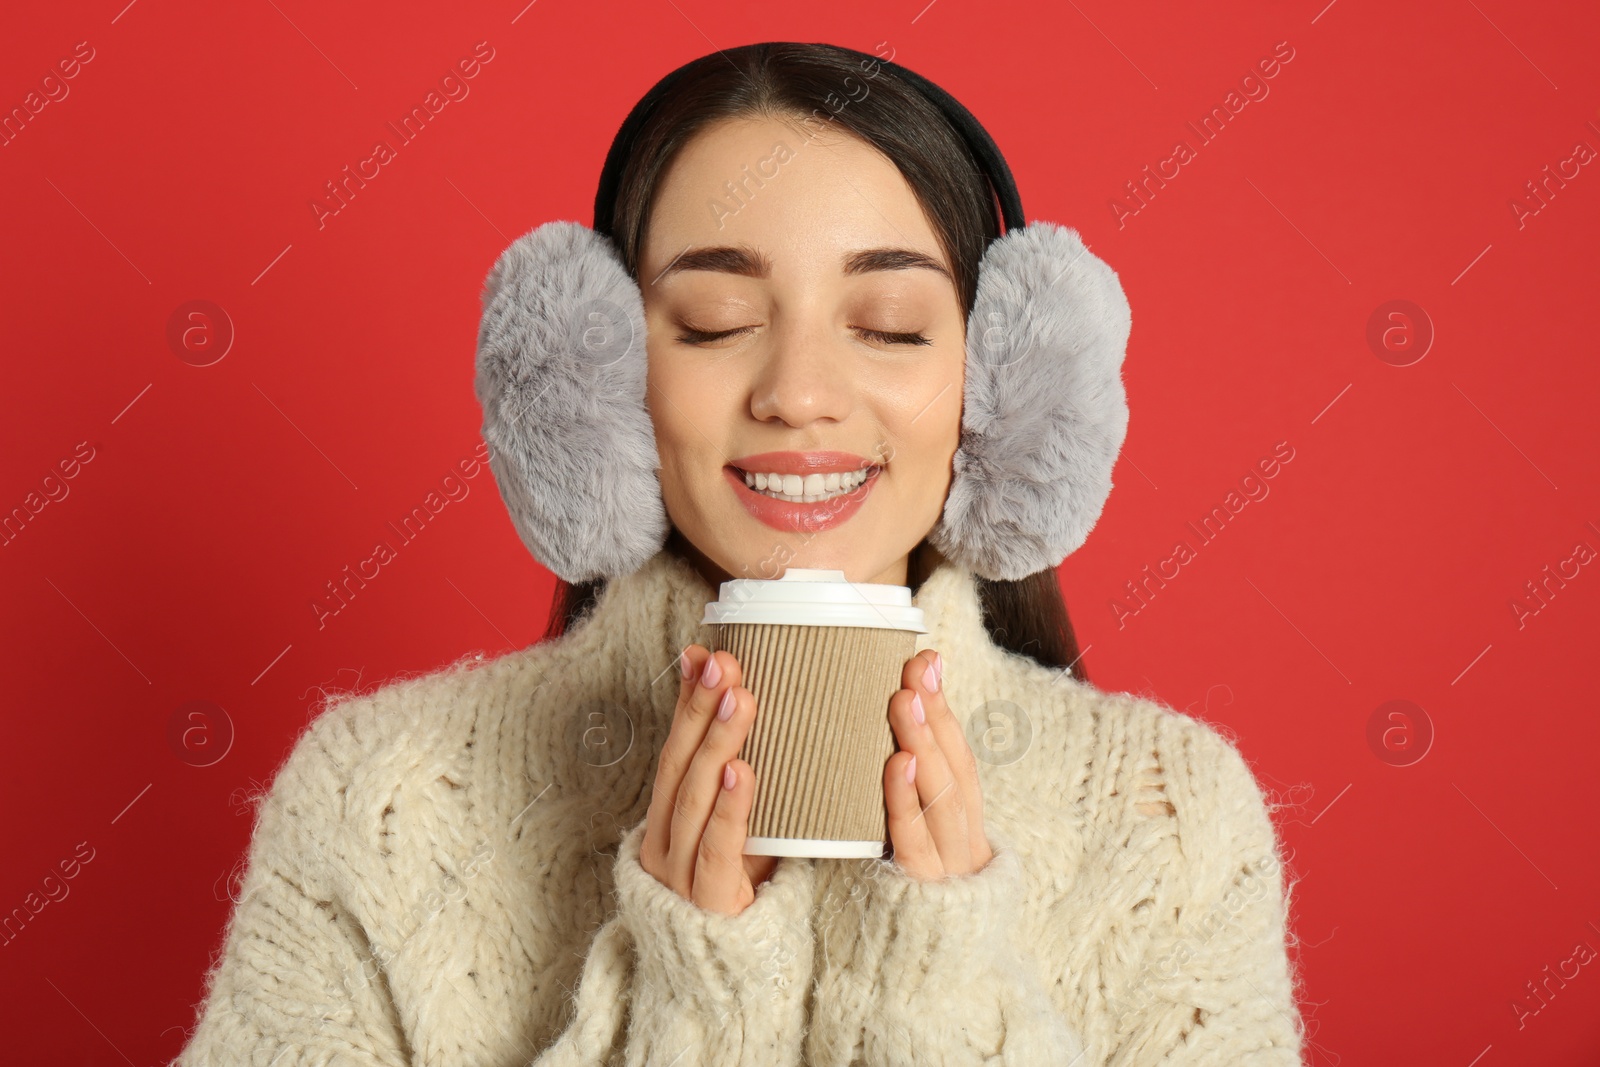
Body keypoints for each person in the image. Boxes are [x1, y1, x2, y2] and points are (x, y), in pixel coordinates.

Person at [171, 42, 1306, 1066]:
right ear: (600, 386)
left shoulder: (1173, 821)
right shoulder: (381, 801)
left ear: (1006, 391)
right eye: (715, 320)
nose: (798, 394)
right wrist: (692, 1004)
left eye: (891, 326)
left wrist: (934, 979)